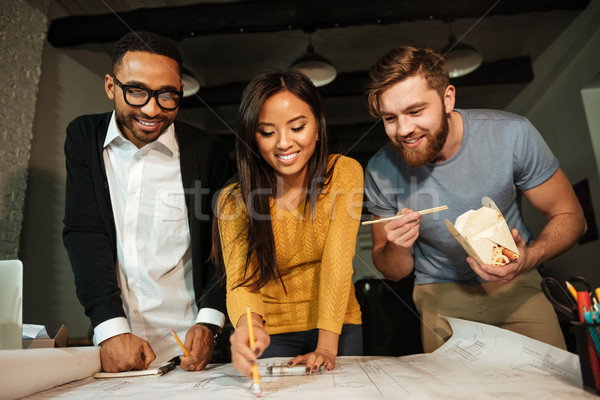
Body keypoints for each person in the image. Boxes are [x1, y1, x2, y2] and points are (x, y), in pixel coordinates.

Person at [363, 46, 587, 352]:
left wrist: (528, 259)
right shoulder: (380, 170)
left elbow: (571, 217)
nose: (404, 130)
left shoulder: (511, 134)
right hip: (438, 293)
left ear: (448, 99)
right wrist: (397, 247)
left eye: (415, 111)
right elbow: (393, 270)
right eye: (390, 118)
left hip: (516, 283)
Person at [63, 31, 231, 372]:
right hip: (116, 342)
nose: (152, 109)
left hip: (190, 349)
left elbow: (225, 245)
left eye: (167, 95)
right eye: (136, 91)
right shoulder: (83, 138)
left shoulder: (207, 151)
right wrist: (109, 328)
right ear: (111, 86)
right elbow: (84, 233)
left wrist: (210, 323)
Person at [212, 70, 363, 379]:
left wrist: (326, 348)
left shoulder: (344, 173)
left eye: (297, 127)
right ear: (252, 138)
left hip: (338, 325)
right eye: (267, 132)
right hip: (272, 331)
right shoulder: (232, 199)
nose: (284, 143)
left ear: (318, 127)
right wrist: (249, 326)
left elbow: (337, 262)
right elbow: (241, 281)